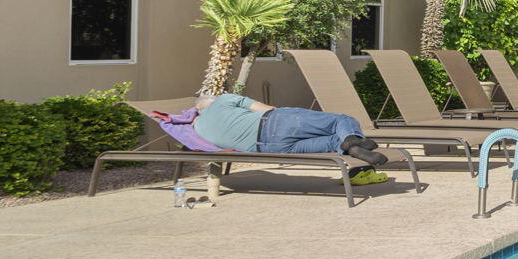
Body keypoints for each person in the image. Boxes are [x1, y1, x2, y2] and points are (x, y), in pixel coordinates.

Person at [160, 94, 390, 171]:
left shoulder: (198, 131)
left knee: (332, 142)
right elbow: (268, 109)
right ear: (210, 102)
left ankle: (348, 146)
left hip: (268, 148)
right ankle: (353, 139)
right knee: (342, 120)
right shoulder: (224, 100)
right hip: (273, 123)